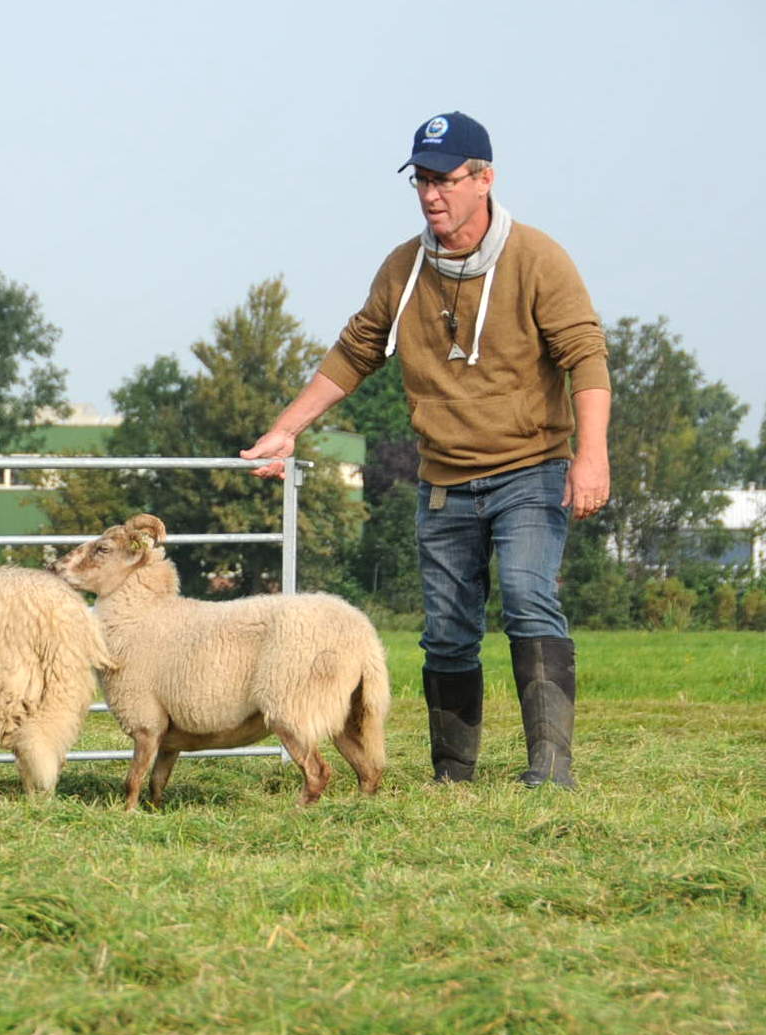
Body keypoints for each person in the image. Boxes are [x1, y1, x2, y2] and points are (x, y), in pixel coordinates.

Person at [241, 111, 610, 788]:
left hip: (531, 469)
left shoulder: (538, 258)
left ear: (484, 179)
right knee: (446, 631)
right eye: (421, 179)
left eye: (444, 179)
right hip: (443, 480)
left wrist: (593, 455)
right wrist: (287, 426)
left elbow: (585, 354)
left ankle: (550, 769)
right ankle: (452, 775)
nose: (431, 193)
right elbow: (356, 350)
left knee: (528, 597)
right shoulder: (403, 268)